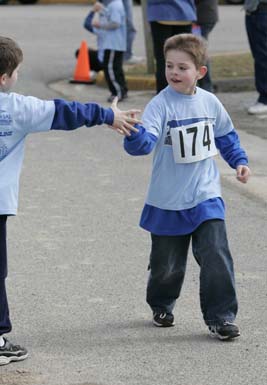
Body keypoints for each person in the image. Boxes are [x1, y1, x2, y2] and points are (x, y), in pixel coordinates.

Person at [0, 36, 140, 366]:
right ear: (4, 79)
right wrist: (108, 116)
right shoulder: (18, 108)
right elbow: (67, 112)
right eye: (17, 71)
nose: (18, 76)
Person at [123, 34, 251, 341]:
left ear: (200, 72)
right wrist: (133, 135)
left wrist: (239, 161)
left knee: (216, 254)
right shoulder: (160, 105)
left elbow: (225, 136)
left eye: (183, 67)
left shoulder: (209, 102)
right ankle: (161, 303)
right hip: (168, 199)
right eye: (169, 66)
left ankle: (221, 317)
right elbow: (144, 142)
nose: (174, 73)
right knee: (167, 266)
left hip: (206, 195)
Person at [83, 0, 128, 102]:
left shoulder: (115, 5)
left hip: (113, 44)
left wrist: (99, 24)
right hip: (114, 44)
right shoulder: (113, 5)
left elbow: (115, 23)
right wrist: (98, 10)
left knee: (110, 69)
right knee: (116, 69)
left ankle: (117, 93)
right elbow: (109, 16)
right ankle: (122, 91)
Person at [147, 0, 196, 93]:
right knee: (185, 59)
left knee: (163, 60)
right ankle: (186, 92)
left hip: (161, 13)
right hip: (185, 13)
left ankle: (163, 97)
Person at [244, 0, 267, 115]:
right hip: (254, 11)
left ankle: (265, 99)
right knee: (259, 56)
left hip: (262, 11)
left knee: (262, 57)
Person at [195, 0, 218, 92]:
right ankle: (205, 85)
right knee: (199, 50)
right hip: (204, 14)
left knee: (199, 51)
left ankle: (206, 86)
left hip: (201, 17)